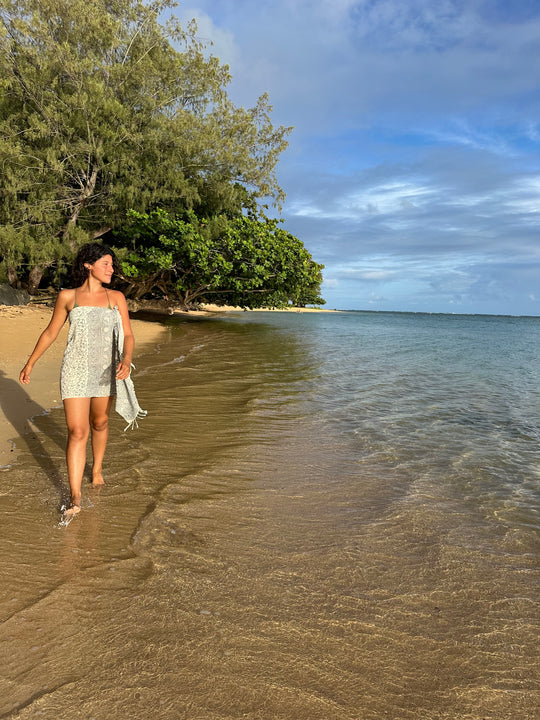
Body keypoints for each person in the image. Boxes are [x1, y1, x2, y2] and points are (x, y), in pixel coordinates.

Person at [20, 242, 145, 519]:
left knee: (99, 422)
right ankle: (75, 496)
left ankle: (97, 469)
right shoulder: (68, 296)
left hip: (106, 370)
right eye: (106, 264)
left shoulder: (116, 298)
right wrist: (30, 362)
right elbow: (51, 332)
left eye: (112, 265)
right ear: (88, 265)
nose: (112, 269)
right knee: (77, 431)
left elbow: (128, 334)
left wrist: (126, 359)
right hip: (75, 369)